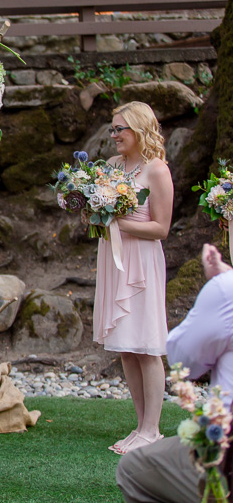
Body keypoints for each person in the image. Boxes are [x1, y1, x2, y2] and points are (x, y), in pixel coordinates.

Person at [116, 243, 233, 502]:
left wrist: (220, 285)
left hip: (227, 450)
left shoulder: (227, 290)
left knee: (133, 470)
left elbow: (184, 360)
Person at [94, 101, 174, 455]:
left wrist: (116, 222)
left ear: (139, 130)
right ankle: (140, 426)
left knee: (146, 345)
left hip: (141, 262)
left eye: (119, 129)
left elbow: (161, 228)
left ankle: (153, 429)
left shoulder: (156, 170)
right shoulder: (112, 167)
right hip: (114, 260)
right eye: (111, 129)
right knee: (126, 347)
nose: (113, 136)